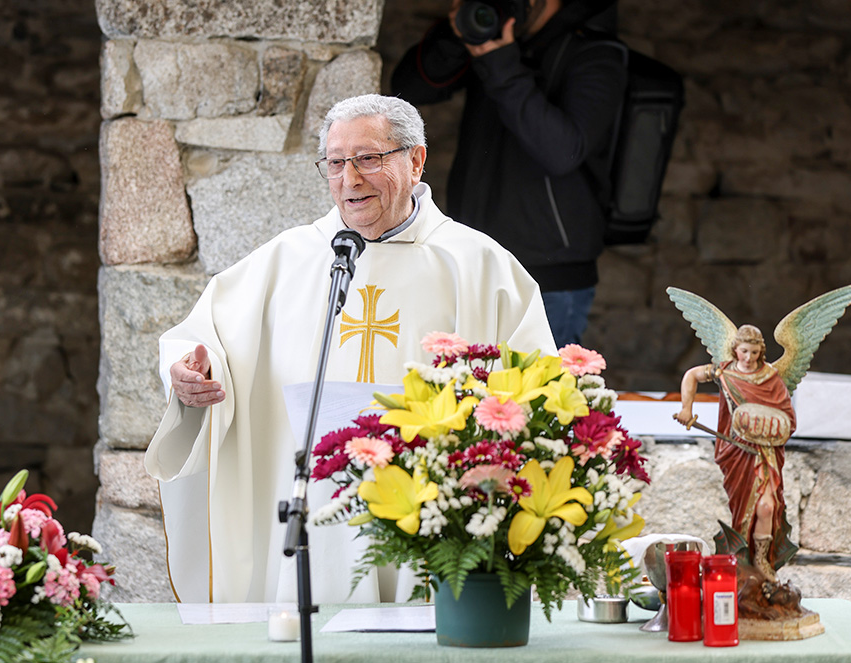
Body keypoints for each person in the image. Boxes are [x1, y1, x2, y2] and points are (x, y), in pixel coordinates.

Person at [143, 94, 557, 604]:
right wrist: (186, 371)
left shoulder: (480, 267)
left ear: (416, 160)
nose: (350, 179)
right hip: (313, 500)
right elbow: (202, 339)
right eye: (336, 163)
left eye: (368, 159)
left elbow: (540, 385)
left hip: (431, 510)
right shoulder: (286, 259)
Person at [391, 0, 627, 348]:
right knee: (465, 395)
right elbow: (407, 91)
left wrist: (500, 62)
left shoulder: (596, 52)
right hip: (472, 262)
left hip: (551, 276)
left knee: (537, 397)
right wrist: (460, 34)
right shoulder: (489, 32)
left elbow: (563, 151)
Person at [675, 325, 796, 581]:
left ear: (761, 351)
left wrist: (769, 429)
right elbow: (691, 376)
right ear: (735, 349)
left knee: (766, 506)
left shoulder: (770, 377)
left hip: (764, 454)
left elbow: (786, 417)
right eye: (744, 351)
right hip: (736, 452)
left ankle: (762, 560)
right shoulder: (723, 371)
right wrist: (686, 408)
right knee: (741, 509)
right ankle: (742, 564)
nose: (748, 357)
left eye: (754, 352)